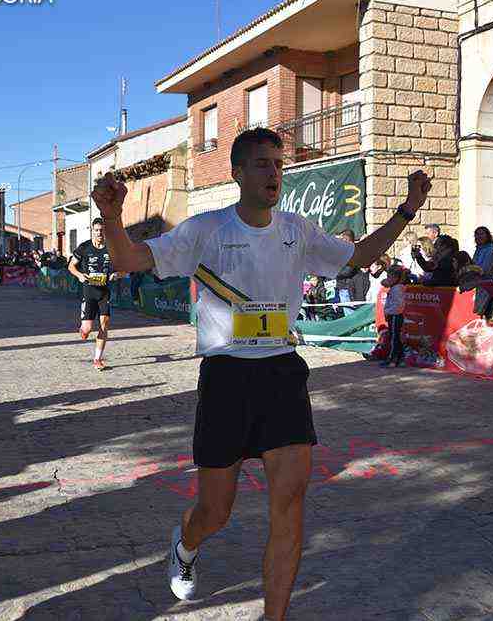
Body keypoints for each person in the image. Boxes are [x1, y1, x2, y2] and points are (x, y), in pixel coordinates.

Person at [90, 127, 432, 621]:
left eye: (277, 164)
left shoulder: (298, 230)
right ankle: (186, 545)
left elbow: (357, 257)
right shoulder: (205, 230)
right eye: (262, 164)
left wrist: (407, 209)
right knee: (215, 511)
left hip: (282, 376)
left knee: (289, 505)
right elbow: (127, 259)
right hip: (226, 377)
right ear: (237, 174)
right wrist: (112, 216)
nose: (273, 172)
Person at [68, 218, 121, 371]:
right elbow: (71, 266)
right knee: (88, 329)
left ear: (105, 231)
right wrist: (79, 275)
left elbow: (124, 269)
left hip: (104, 292)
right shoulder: (84, 247)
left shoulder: (111, 249)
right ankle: (83, 330)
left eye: (101, 230)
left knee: (104, 325)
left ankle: (97, 359)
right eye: (96, 230)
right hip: (89, 292)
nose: (99, 233)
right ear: (92, 230)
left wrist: (116, 275)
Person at [380, 264, 408, 368]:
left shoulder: (397, 289)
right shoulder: (395, 287)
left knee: (394, 338)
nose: (387, 279)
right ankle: (400, 359)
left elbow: (399, 305)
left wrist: (389, 312)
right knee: (396, 337)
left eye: (389, 277)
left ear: (395, 278)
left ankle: (393, 359)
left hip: (395, 315)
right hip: (394, 315)